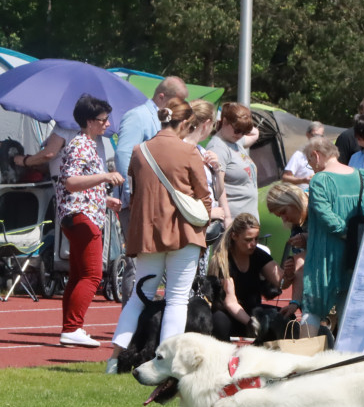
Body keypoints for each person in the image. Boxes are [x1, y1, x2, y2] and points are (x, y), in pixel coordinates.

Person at [107, 98, 213, 372]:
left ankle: (114, 358)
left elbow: (135, 186)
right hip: (184, 232)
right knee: (177, 298)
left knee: (138, 297)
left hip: (147, 234)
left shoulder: (139, 150)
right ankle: (165, 364)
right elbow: (204, 196)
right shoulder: (190, 152)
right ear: (187, 123)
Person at [53, 94, 125, 347]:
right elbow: (71, 182)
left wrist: (104, 201)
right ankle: (73, 328)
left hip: (79, 214)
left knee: (78, 274)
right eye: (103, 120)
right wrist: (105, 177)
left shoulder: (87, 145)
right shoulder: (81, 145)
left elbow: (80, 185)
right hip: (81, 217)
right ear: (89, 121)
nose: (107, 124)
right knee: (93, 275)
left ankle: (71, 328)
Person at [114, 76, 189, 303]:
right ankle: (132, 319)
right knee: (139, 261)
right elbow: (123, 154)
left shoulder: (159, 120)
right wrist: (132, 193)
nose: (180, 108)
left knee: (153, 261)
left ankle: (144, 318)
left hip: (157, 204)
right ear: (162, 97)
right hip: (138, 203)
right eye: (178, 101)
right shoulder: (138, 116)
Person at [301, 137, 364, 335]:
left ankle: (305, 360)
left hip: (324, 255)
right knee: (349, 310)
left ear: (316, 155)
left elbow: (324, 214)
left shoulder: (320, 180)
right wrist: (355, 236)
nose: (312, 168)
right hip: (355, 253)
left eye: (310, 162)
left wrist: (345, 233)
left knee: (312, 309)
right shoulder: (363, 176)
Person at [207, 213, 284, 341]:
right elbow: (230, 303)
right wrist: (252, 323)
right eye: (248, 240)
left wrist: (291, 269)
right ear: (234, 236)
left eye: (256, 239)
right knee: (219, 321)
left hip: (253, 312)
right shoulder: (223, 261)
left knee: (286, 317)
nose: (253, 244)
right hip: (230, 314)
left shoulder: (258, 255)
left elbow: (282, 282)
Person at [182, 99, 229, 268]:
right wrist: (210, 212)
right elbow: (183, 194)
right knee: (186, 282)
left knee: (198, 279)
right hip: (190, 227)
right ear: (207, 123)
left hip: (203, 227)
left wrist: (217, 170)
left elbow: (218, 191)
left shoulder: (201, 151)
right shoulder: (183, 149)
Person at [206, 102, 259, 221]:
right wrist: (227, 219)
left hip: (248, 220)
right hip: (234, 221)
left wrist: (244, 119)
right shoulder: (218, 147)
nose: (240, 134)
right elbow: (218, 188)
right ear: (224, 121)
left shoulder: (235, 141)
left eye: (244, 131)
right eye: (237, 130)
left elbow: (256, 133)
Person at [265, 181, 309, 321]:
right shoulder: (296, 226)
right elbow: (300, 269)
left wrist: (308, 239)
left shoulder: (318, 208)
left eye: (284, 212)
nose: (284, 219)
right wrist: (295, 302)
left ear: (293, 200)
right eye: (280, 216)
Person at [282, 121, 325, 189]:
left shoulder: (325, 155)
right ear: (307, 135)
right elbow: (285, 177)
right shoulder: (299, 155)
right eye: (314, 135)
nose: (317, 138)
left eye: (320, 136)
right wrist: (302, 180)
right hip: (302, 196)